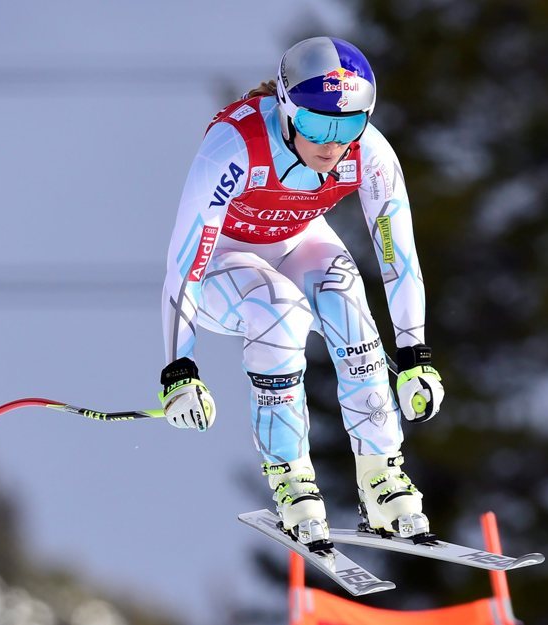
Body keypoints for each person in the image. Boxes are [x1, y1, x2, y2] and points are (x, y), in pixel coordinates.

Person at [159, 36, 444, 546]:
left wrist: (416, 354)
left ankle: (381, 474)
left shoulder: (370, 154)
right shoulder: (235, 146)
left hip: (297, 238)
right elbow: (185, 261)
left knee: (346, 297)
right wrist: (180, 368)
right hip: (224, 260)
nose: (332, 145)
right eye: (316, 125)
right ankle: (291, 477)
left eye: (349, 125)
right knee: (279, 311)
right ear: (287, 110)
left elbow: (398, 257)